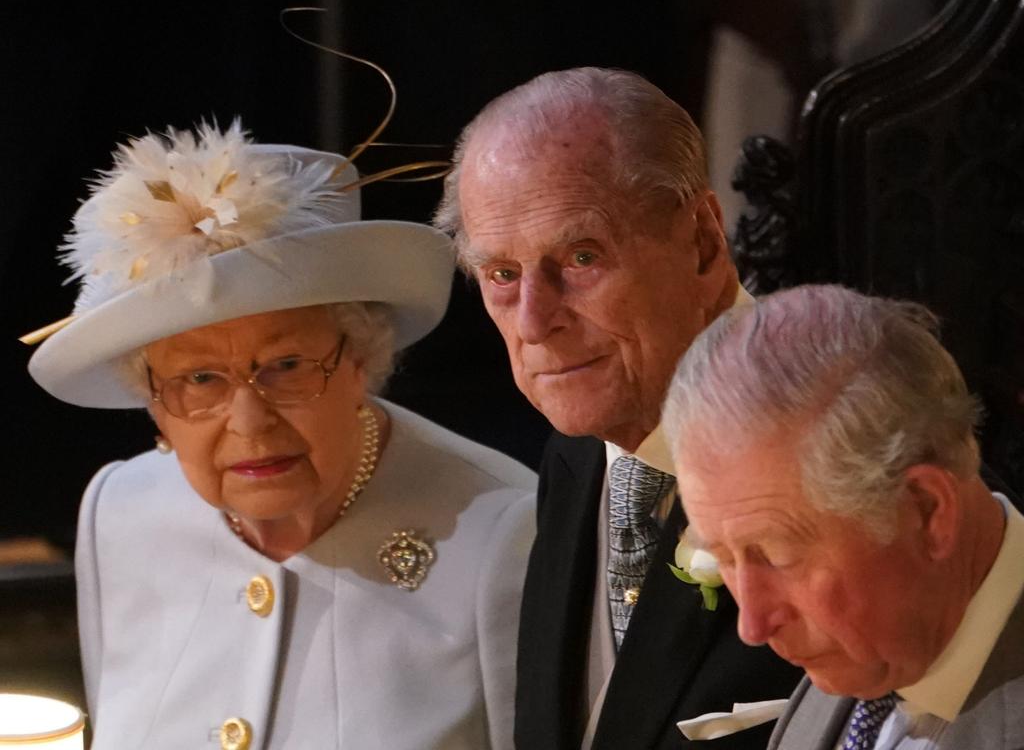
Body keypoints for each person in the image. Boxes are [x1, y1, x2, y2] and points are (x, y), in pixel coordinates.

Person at [26, 121, 536, 750]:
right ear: (154, 402)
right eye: (200, 378)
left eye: (287, 367)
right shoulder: (119, 513)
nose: (249, 422)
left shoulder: (506, 533)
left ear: (360, 362)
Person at [434, 67, 801, 750]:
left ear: (702, 243)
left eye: (580, 257)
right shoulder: (574, 455)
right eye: (502, 276)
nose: (536, 322)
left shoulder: (832, 438)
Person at [663, 284, 1024, 750]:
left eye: (779, 557)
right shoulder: (870, 659)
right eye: (724, 558)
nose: (752, 626)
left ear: (927, 510)